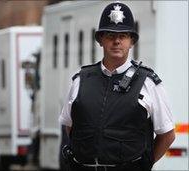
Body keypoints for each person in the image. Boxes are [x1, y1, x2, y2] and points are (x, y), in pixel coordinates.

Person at [59, 2, 175, 171]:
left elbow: (167, 135)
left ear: (131, 41)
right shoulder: (81, 80)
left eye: (123, 35)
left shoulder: (148, 82)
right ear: (100, 40)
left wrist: (144, 165)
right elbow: (71, 126)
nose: (117, 41)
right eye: (110, 35)